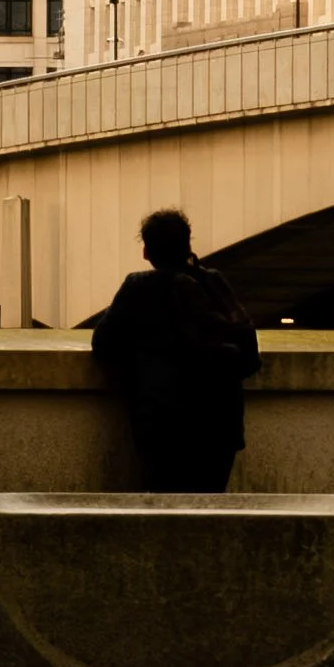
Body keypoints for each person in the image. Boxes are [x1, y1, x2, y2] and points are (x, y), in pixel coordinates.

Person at [90, 208, 262, 491]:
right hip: (219, 426)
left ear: (146, 252)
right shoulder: (214, 284)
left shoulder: (137, 288)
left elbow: (103, 345)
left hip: (161, 424)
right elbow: (248, 356)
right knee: (209, 509)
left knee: (166, 513)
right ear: (188, 246)